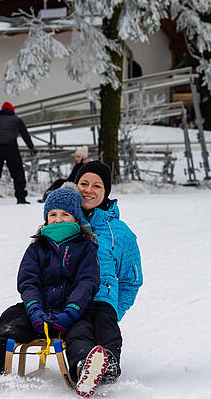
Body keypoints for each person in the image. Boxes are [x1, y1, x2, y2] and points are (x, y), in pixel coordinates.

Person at [0, 188, 109, 397]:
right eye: (53, 214)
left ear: (76, 218)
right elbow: (28, 281)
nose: (58, 220)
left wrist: (71, 312)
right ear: (46, 218)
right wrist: (34, 311)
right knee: (9, 324)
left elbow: (87, 282)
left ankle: (84, 369)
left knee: (82, 335)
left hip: (73, 313)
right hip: (38, 311)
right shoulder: (37, 247)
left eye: (65, 214)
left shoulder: (85, 247)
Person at [74, 161, 143, 384]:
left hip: (104, 300)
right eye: (83, 183)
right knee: (78, 333)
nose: (88, 190)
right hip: (73, 300)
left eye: (97, 186)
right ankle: (83, 368)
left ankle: (109, 364)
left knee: (108, 331)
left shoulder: (120, 233)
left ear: (106, 192)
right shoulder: (64, 220)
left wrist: (116, 310)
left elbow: (131, 280)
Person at [0, 101, 36, 206]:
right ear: (12, 111)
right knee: (18, 173)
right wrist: (31, 148)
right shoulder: (17, 120)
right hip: (11, 149)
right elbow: (25, 135)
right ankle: (21, 198)